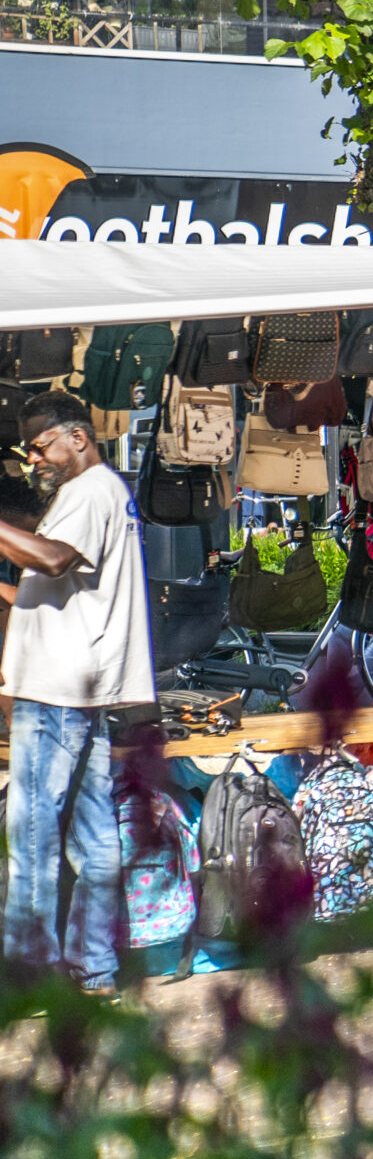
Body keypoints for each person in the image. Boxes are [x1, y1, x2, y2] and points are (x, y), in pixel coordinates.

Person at [0, 393, 154, 993]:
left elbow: (57, 560)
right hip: (79, 698)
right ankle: (95, 969)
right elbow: (56, 593)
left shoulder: (90, 491)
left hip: (56, 697)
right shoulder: (99, 492)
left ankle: (23, 981)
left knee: (32, 843)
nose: (33, 458)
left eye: (40, 445)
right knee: (95, 845)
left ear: (78, 438)